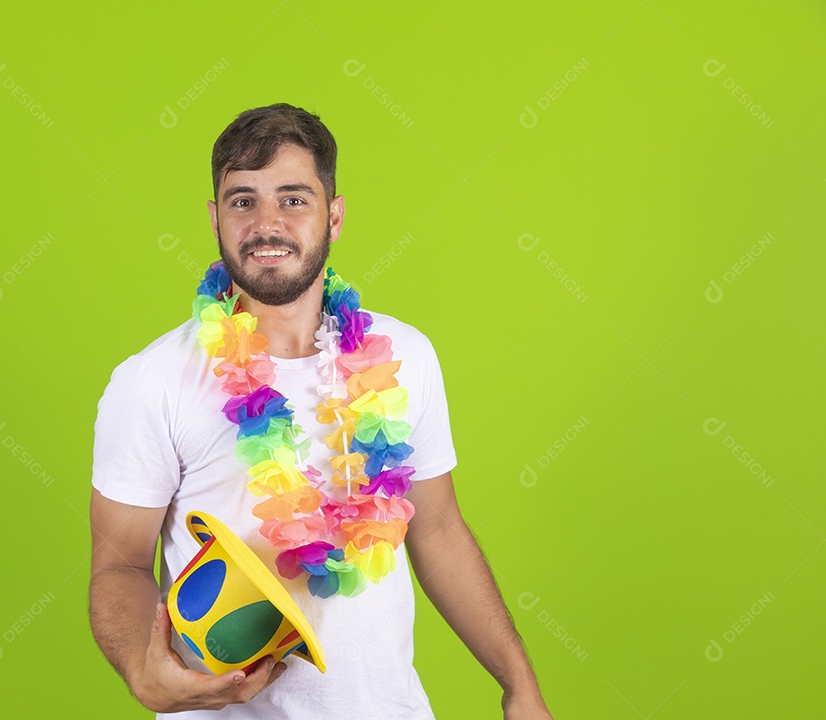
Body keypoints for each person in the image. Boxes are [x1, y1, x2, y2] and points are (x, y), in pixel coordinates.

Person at [88, 103, 554, 719]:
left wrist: (519, 684)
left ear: (334, 216)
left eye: (293, 199)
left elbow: (437, 529)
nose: (266, 224)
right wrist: (142, 669)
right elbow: (118, 563)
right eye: (242, 200)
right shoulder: (153, 380)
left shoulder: (403, 358)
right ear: (214, 218)